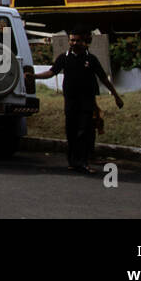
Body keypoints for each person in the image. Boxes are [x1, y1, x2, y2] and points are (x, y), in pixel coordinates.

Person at [29, 26, 123, 173]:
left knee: (84, 131)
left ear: (84, 42)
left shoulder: (90, 59)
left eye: (77, 40)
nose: (74, 43)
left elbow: (104, 78)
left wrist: (116, 96)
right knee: (71, 132)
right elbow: (51, 72)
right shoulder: (64, 58)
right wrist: (34, 76)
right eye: (72, 40)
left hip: (87, 101)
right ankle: (73, 162)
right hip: (70, 101)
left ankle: (84, 162)